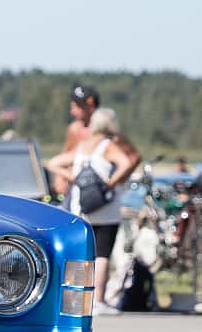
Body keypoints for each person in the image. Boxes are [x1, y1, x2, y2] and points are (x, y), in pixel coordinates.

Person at [46, 106, 140, 310]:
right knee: (102, 253)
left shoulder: (83, 145)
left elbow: (53, 163)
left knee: (80, 251)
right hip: (105, 207)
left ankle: (75, 299)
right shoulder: (108, 145)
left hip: (82, 205)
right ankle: (97, 300)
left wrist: (73, 178)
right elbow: (126, 163)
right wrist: (110, 183)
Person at [55, 85, 99, 196]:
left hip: (96, 188)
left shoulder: (102, 131)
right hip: (75, 185)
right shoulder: (74, 129)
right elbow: (66, 154)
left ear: (91, 105)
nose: (72, 112)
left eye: (77, 107)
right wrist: (59, 179)